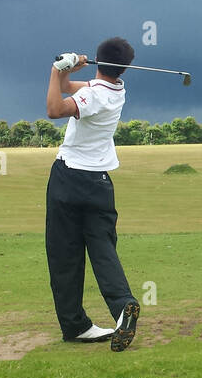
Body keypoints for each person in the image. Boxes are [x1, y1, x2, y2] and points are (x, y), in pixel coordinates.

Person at [43, 37, 141, 351]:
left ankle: (75, 325)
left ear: (99, 58)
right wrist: (66, 72)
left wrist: (54, 69)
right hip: (100, 184)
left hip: (68, 178)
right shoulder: (116, 90)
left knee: (64, 254)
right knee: (103, 249)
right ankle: (122, 305)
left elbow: (54, 108)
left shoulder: (93, 95)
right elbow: (72, 87)